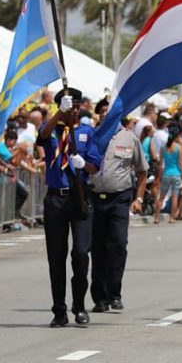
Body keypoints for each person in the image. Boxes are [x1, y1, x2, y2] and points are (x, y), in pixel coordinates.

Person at [37, 87, 101, 327]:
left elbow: (96, 166)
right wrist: (57, 115)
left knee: (81, 254)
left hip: (79, 197)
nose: (74, 111)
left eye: (76, 107)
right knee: (56, 257)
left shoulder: (86, 132)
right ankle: (59, 310)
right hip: (56, 198)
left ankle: (80, 305)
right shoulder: (52, 130)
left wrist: (84, 164)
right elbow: (42, 137)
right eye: (69, 107)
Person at [89, 114, 148, 313]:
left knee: (118, 244)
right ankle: (100, 298)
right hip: (95, 197)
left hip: (120, 198)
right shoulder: (92, 136)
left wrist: (138, 199)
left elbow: (142, 171)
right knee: (97, 248)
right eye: (104, 111)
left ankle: (114, 293)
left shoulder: (129, 138)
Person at [155, 124, 182, 224]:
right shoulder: (178, 147)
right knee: (175, 196)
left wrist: (159, 177)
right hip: (176, 173)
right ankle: (172, 218)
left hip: (166, 174)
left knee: (161, 197)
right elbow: (180, 163)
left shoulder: (163, 148)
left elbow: (160, 165)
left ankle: (156, 217)